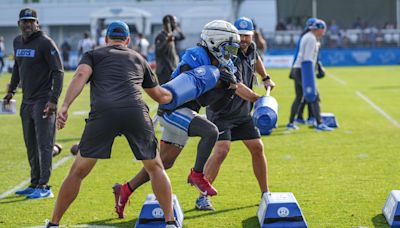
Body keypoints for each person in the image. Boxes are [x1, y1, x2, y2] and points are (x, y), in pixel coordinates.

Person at [46, 21, 179, 228]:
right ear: (127, 40)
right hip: (135, 112)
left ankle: (54, 224)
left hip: (104, 112)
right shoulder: (138, 58)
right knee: (155, 167)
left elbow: (81, 75)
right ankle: (170, 222)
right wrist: (183, 92)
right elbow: (160, 96)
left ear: (106, 39)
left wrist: (64, 106)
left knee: (77, 171)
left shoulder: (93, 55)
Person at [112, 19, 240, 218]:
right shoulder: (196, 56)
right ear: (214, 42)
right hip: (174, 109)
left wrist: (228, 90)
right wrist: (215, 82)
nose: (231, 54)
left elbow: (213, 104)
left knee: (163, 164)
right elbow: (188, 89)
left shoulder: (226, 65)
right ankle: (197, 174)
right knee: (210, 132)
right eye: (228, 48)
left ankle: (125, 189)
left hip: (187, 112)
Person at [198, 17, 276, 210]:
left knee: (257, 147)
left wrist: (265, 77)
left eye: (246, 36)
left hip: (242, 113)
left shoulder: (251, 47)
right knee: (222, 149)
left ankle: (266, 193)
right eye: (239, 35)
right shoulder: (228, 52)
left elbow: (256, 59)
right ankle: (203, 197)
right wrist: (258, 100)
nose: (243, 39)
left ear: (251, 35)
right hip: (221, 111)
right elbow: (237, 86)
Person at [3, 8, 64, 199]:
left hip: (43, 101)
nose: (28, 24)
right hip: (26, 101)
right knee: (30, 143)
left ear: (37, 23)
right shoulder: (17, 41)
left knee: (44, 145)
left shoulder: (45, 43)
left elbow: (59, 72)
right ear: (19, 23)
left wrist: (53, 100)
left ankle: (44, 186)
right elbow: (17, 68)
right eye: (24, 21)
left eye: (31, 21)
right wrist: (11, 90)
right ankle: (34, 182)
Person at [286, 19, 332, 131]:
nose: (324, 32)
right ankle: (319, 123)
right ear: (319, 29)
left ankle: (291, 122)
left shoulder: (307, 36)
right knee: (315, 96)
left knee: (299, 97)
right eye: (323, 30)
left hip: (298, 68)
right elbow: (307, 59)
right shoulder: (311, 39)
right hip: (304, 69)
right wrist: (310, 76)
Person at [154, 15, 181, 85]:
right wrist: (167, 41)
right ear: (168, 23)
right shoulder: (160, 36)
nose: (175, 25)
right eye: (174, 23)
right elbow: (158, 52)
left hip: (172, 69)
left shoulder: (171, 36)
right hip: (164, 71)